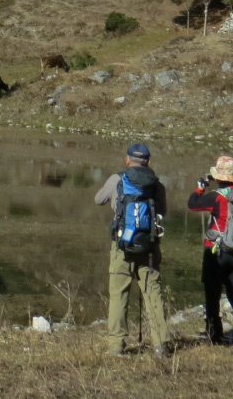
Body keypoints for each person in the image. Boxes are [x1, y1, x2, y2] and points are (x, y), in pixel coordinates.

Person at [93, 141, 169, 358]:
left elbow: (98, 199)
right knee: (153, 295)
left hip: (121, 247)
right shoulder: (157, 185)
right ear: (149, 161)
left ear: (127, 160)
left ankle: (117, 347)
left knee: (118, 295)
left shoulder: (117, 180)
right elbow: (162, 211)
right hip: (150, 249)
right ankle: (160, 345)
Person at [188, 154, 233, 346]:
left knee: (212, 294)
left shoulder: (216, 197)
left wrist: (200, 186)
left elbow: (193, 204)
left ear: (218, 178)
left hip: (216, 252)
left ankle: (214, 334)